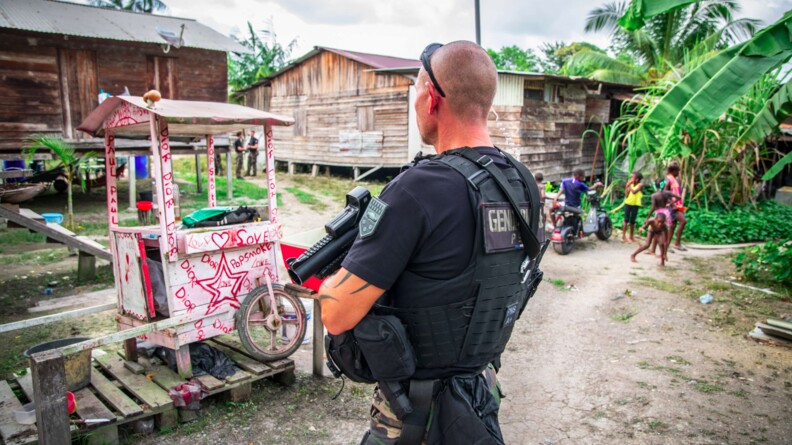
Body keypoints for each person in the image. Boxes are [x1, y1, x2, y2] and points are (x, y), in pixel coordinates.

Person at [318, 41, 543, 445]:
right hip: (479, 392)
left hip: (413, 415)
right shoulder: (521, 181)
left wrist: (329, 282)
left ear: (433, 98)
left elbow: (336, 315)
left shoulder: (417, 188)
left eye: (417, 90)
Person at [663, 162, 687, 251]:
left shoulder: (675, 179)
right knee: (683, 221)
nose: (678, 173)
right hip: (672, 205)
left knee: (673, 225)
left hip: (679, 205)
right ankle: (676, 243)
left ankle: (667, 245)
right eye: (677, 171)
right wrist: (672, 204)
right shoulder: (668, 179)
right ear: (673, 171)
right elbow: (665, 193)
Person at [622, 172, 644, 242]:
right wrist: (627, 187)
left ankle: (631, 236)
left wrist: (629, 185)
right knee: (626, 220)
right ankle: (623, 236)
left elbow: (634, 192)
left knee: (632, 221)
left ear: (637, 179)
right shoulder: (630, 185)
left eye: (632, 178)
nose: (631, 179)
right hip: (628, 203)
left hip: (635, 204)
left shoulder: (640, 185)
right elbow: (626, 195)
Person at [535, 172, 546, 243]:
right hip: (540, 205)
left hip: (534, 205)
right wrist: (550, 198)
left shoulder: (533, 185)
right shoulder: (542, 186)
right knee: (542, 219)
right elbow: (543, 196)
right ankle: (542, 235)